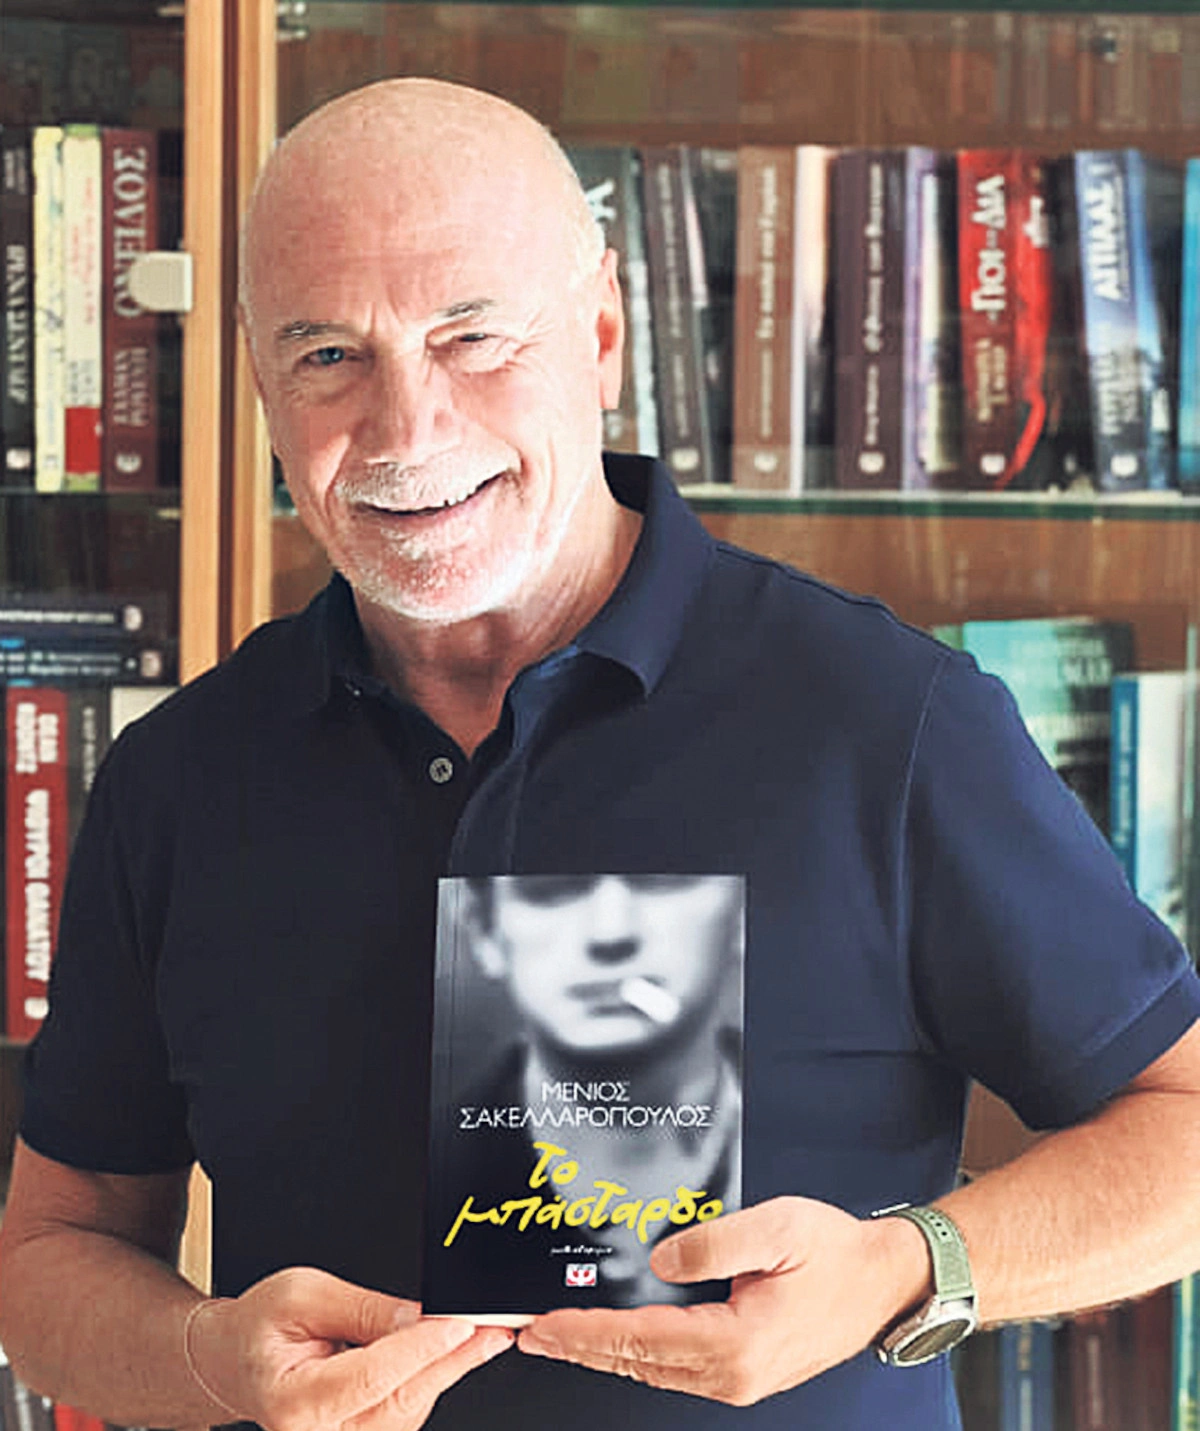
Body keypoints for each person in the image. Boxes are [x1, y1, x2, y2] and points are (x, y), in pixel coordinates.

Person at [1, 74, 1200, 1431]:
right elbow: (50, 1255)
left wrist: (905, 1269)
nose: (408, 429)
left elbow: (1184, 1127)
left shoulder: (885, 721)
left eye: (471, 337)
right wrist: (208, 1356)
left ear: (605, 334)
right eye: (328, 354)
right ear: (262, 388)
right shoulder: (179, 777)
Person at [424, 873, 744, 1313]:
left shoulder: (827, 1149)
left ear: (742, 914)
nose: (610, 932)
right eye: (551, 888)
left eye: (663, 878)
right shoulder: (414, 1182)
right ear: (483, 927)